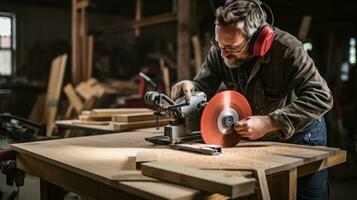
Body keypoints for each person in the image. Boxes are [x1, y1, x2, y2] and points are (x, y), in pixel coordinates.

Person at [171, 0, 333, 199]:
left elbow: (321, 97)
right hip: (258, 136)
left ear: (259, 41)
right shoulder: (221, 49)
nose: (222, 53)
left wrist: (271, 121)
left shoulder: (288, 50)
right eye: (219, 44)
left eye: (231, 47)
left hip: (302, 135)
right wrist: (191, 87)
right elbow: (203, 87)